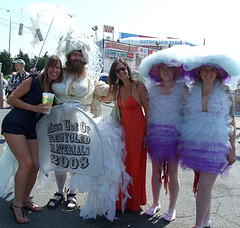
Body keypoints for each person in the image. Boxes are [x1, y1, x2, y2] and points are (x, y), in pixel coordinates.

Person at [44, 34, 130, 219]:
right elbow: (44, 86)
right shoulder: (58, 73)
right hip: (57, 124)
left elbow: (107, 93)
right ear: (68, 57)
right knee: (60, 159)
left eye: (80, 55)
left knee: (75, 157)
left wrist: (121, 80)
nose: (77, 57)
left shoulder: (90, 78)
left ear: (84, 59)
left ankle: (72, 193)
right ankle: (59, 192)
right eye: (74, 54)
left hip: (81, 125)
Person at [179, 46, 239, 228]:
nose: (208, 73)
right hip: (197, 144)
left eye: (212, 69)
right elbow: (186, 117)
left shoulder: (226, 93)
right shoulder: (191, 91)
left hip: (217, 146)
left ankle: (198, 225)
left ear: (218, 72)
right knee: (206, 187)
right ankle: (206, 221)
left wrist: (233, 150)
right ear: (199, 71)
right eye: (205, 69)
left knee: (204, 186)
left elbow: (231, 122)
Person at [0, 56, 63, 224]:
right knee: (26, 163)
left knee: (35, 165)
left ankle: (26, 199)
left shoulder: (54, 88)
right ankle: (17, 205)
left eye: (58, 68)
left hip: (30, 128)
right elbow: (12, 98)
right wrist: (34, 108)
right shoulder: (33, 79)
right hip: (14, 124)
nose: (55, 71)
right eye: (52, 67)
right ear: (46, 67)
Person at [138, 47, 186, 221]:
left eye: (169, 68)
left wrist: (183, 138)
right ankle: (155, 202)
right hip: (156, 134)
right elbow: (150, 114)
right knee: (155, 171)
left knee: (173, 172)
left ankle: (172, 208)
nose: (166, 71)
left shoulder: (183, 89)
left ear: (175, 70)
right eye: (162, 68)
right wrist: (148, 134)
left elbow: (187, 115)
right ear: (158, 71)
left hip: (175, 136)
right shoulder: (153, 89)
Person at [105, 58, 148, 211]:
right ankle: (122, 199)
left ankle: (134, 201)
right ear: (115, 74)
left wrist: (147, 134)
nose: (122, 72)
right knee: (122, 165)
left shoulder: (139, 86)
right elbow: (104, 98)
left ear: (128, 69)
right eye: (118, 70)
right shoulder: (117, 89)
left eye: (123, 68)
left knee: (135, 166)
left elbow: (148, 111)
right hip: (122, 131)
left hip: (137, 131)